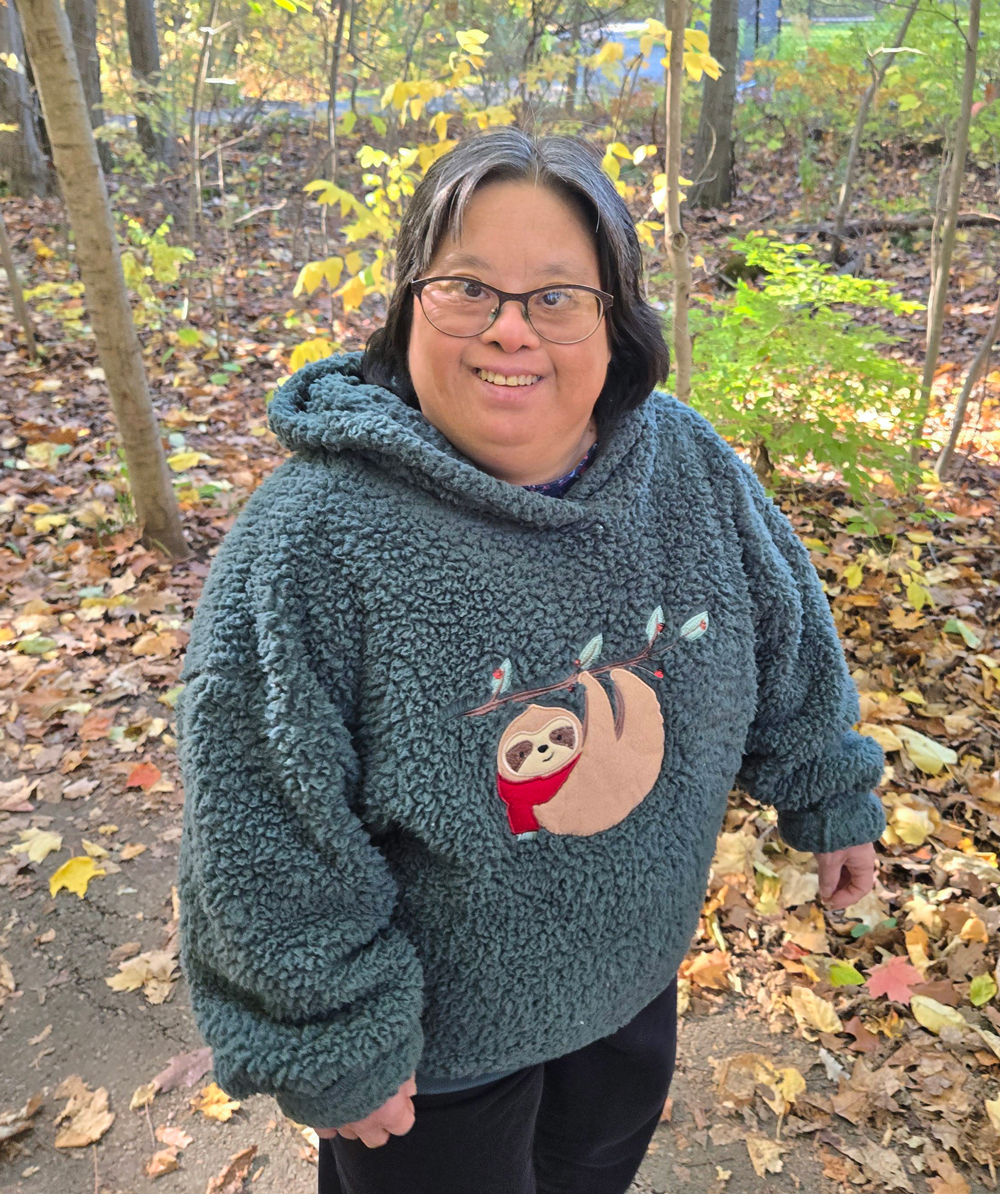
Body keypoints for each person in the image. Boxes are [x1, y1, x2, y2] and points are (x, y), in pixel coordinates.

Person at [175, 128, 886, 1194]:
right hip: (430, 1052)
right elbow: (259, 825)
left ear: (617, 320)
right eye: (468, 287)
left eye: (557, 296)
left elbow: (786, 632)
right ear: (411, 302)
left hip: (633, 979)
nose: (511, 332)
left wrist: (828, 789)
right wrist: (333, 1036)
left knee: (592, 1170)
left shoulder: (684, 465)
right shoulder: (313, 538)